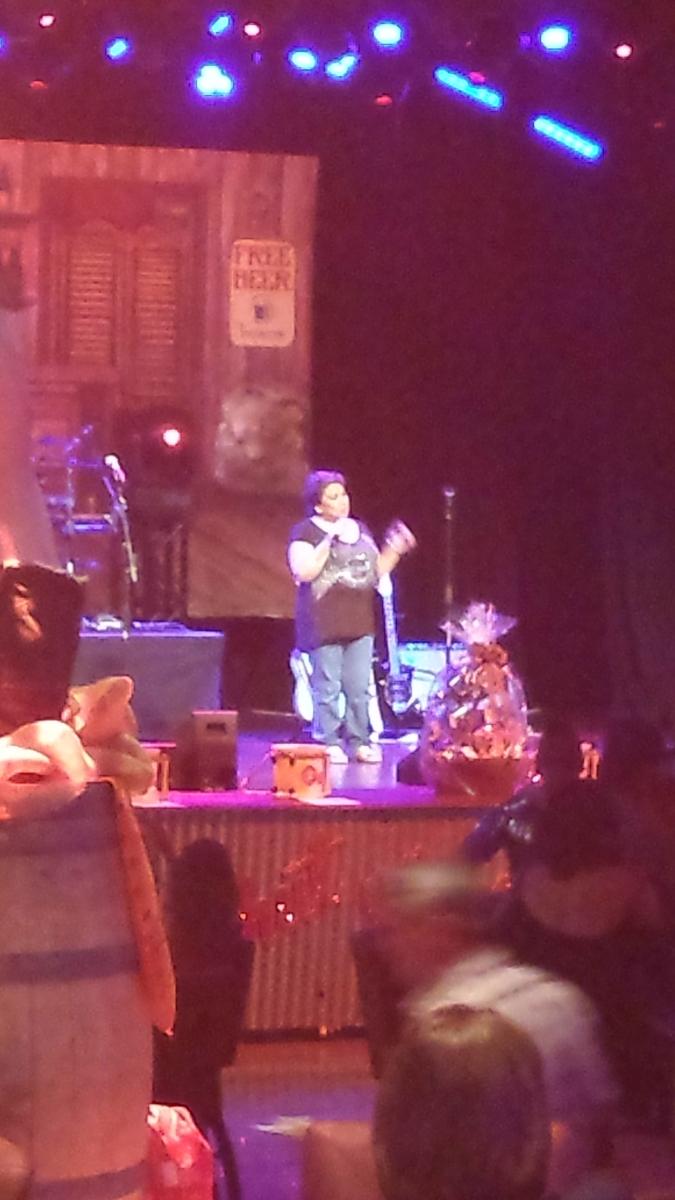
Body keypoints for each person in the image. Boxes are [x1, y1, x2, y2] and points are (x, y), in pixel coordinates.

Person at [287, 470, 414, 765]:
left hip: (359, 620)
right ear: (318, 505)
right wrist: (328, 540)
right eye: (333, 497)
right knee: (328, 686)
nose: (342, 501)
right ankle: (328, 741)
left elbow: (375, 571)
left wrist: (395, 549)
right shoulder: (305, 532)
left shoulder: (360, 530)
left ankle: (359, 741)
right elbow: (303, 572)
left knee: (359, 687)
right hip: (323, 622)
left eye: (343, 494)